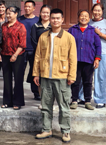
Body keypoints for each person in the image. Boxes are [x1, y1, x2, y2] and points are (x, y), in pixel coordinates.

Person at [33, 8, 77, 143]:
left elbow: (73, 59)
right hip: (46, 76)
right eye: (53, 18)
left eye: (58, 18)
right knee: (46, 105)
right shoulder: (43, 36)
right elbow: (38, 56)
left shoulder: (69, 38)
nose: (55, 20)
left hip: (62, 77)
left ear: (62, 20)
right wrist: (36, 73)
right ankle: (46, 129)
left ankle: (66, 131)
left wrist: (72, 76)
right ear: (49, 19)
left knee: (64, 106)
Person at [68, 9, 101, 111]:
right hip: (75, 60)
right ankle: (74, 100)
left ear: (89, 18)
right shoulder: (72, 30)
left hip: (88, 60)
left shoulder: (93, 30)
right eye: (81, 16)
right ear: (78, 17)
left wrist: (97, 59)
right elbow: (67, 44)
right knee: (75, 81)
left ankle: (87, 101)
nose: (84, 18)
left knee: (88, 82)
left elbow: (98, 46)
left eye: (86, 16)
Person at [83, 3, 106, 109]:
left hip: (102, 53)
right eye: (95, 10)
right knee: (85, 76)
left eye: (99, 10)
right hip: (88, 53)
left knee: (100, 77)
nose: (97, 12)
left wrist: (100, 34)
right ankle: (83, 98)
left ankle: (100, 99)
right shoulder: (88, 22)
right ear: (92, 12)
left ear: (102, 11)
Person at [0, 6, 26, 110]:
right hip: (5, 55)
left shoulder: (20, 26)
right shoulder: (3, 26)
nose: (8, 15)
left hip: (18, 56)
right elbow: (0, 41)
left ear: (16, 14)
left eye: (10, 13)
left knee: (18, 79)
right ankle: (7, 101)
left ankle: (17, 102)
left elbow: (22, 44)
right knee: (6, 79)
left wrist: (15, 55)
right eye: (7, 13)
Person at [18, 0, 40, 100]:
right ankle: (18, 92)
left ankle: (36, 92)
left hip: (34, 50)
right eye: (26, 6)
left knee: (34, 72)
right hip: (21, 49)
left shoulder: (38, 20)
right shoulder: (19, 19)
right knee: (20, 72)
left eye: (29, 6)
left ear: (34, 8)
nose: (27, 8)